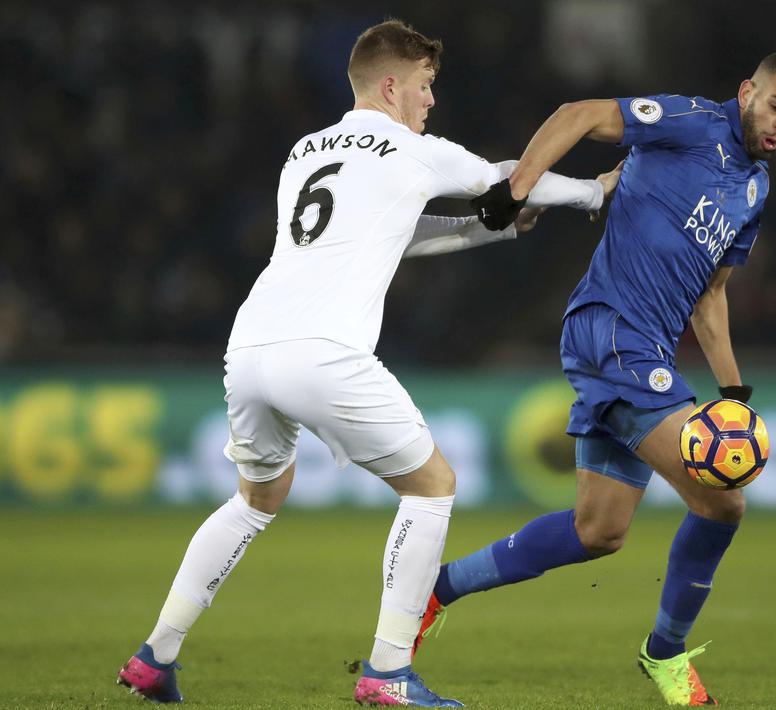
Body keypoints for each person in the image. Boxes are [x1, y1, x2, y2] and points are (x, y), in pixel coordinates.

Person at [116, 19, 619, 706]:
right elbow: (512, 179)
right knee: (432, 485)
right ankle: (387, 672)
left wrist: (483, 230)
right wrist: (593, 192)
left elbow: (393, 238)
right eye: (424, 85)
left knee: (255, 500)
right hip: (324, 351)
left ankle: (155, 656)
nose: (430, 101)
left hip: (252, 344)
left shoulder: (304, 151)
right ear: (391, 84)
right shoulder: (413, 150)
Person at [417, 53, 776, 706]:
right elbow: (576, 116)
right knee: (722, 499)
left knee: (596, 531)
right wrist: (516, 188)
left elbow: (711, 298)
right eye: (774, 105)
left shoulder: (755, 189)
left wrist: (735, 397)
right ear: (746, 92)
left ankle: (435, 589)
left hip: (645, 348)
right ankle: (664, 653)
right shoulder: (687, 121)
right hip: (612, 331)